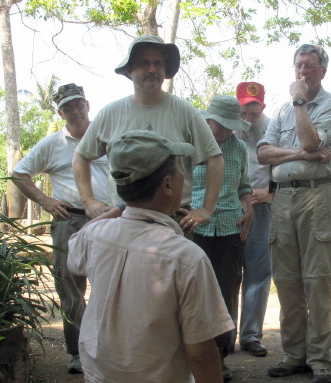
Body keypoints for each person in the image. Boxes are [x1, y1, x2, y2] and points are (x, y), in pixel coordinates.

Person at [69, 130, 233, 383]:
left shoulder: (97, 236)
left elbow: (74, 245)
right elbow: (202, 353)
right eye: (179, 169)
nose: (184, 174)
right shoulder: (185, 257)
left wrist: (120, 207)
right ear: (169, 186)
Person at [72, 35, 224, 236]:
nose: (152, 69)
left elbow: (215, 159)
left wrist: (207, 209)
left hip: (173, 219)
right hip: (121, 217)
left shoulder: (185, 111)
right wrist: (88, 201)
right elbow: (81, 156)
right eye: (144, 63)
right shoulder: (110, 113)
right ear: (129, 70)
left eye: (158, 64)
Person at [258, 44, 331, 383]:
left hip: (317, 195)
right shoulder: (279, 112)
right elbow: (264, 153)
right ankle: (294, 355)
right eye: (299, 66)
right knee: (287, 280)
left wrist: (299, 102)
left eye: (310, 66)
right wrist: (297, 152)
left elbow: (312, 142)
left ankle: (320, 360)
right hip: (283, 199)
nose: (302, 72)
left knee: (317, 280)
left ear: (322, 71)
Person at [11, 83, 111, 374]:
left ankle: (108, 349)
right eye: (67, 107)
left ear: (88, 105)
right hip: (69, 219)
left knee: (110, 283)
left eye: (78, 104)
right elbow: (19, 174)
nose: (75, 111)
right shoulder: (52, 143)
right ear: (61, 112)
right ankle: (78, 351)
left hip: (108, 218)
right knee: (70, 286)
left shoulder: (107, 137)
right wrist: (46, 201)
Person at [192, 95, 254, 381]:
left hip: (230, 226)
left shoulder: (239, 147)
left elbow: (244, 185)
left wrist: (249, 207)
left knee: (227, 292)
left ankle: (220, 356)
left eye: (231, 126)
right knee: (193, 294)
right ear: (208, 120)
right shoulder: (190, 144)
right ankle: (191, 357)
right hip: (194, 228)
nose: (226, 131)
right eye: (222, 125)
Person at [235, 81, 273, 357]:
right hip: (229, 208)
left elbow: (285, 167)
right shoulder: (224, 130)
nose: (248, 119)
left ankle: (250, 335)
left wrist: (272, 191)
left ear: (262, 108)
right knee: (225, 273)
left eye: (254, 113)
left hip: (263, 208)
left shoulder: (274, 130)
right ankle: (223, 335)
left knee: (258, 273)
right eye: (244, 113)